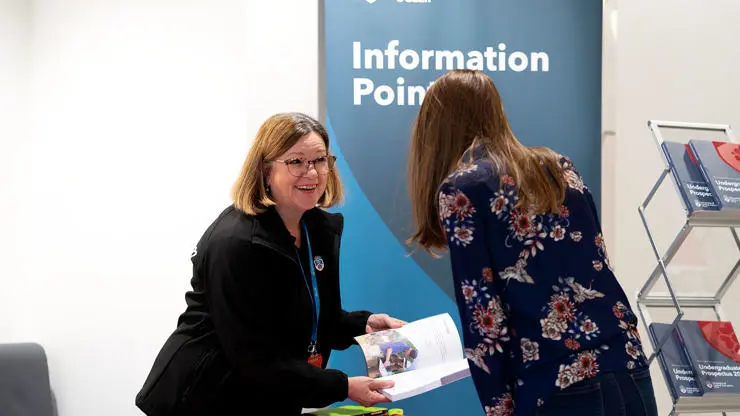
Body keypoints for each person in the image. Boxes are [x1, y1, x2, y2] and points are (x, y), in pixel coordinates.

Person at [406, 70, 659, 416]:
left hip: (553, 383)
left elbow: (484, 315)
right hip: (626, 361)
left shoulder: (462, 188)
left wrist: (499, 408)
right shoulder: (558, 165)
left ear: (435, 128)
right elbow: (597, 261)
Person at [135, 112, 405, 415]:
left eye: (319, 160)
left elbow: (310, 314)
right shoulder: (235, 242)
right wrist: (343, 386)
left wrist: (363, 326)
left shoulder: (317, 228)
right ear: (265, 170)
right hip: (207, 398)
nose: (312, 173)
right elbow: (253, 356)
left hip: (270, 395)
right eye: (296, 162)